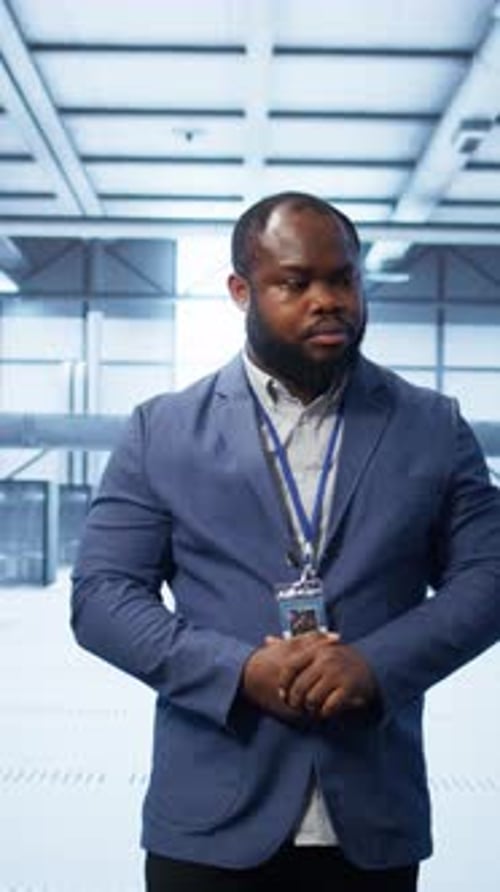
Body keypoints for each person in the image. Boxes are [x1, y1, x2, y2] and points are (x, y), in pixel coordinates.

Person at [71, 191, 500, 892]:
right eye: (295, 283)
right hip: (209, 826)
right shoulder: (162, 430)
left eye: (343, 278)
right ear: (241, 291)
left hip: (373, 823)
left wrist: (377, 665)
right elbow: (102, 598)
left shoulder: (433, 426)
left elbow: (489, 577)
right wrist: (237, 672)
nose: (327, 299)